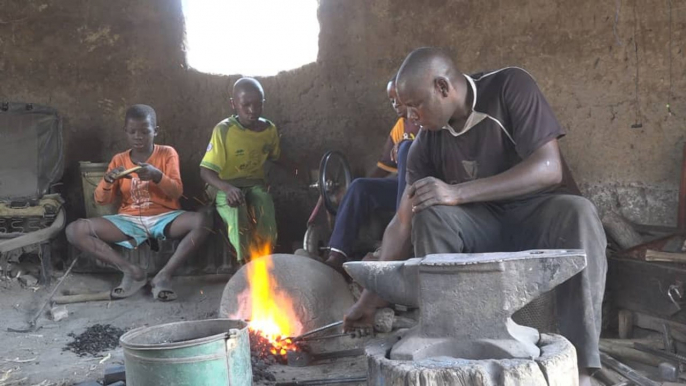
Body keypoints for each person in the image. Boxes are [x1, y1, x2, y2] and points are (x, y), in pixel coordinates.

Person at [342, 48, 606, 386]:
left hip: (537, 215)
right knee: (430, 213)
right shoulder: (426, 143)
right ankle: (453, 350)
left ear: (442, 87)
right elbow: (402, 222)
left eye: (415, 105)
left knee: (580, 212)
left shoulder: (510, 86)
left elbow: (549, 168)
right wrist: (369, 299)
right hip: (483, 227)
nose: (410, 117)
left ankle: (582, 369)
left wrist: (459, 192)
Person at [66, 104, 211, 301]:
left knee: (202, 221)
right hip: (128, 219)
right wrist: (108, 181)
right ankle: (132, 272)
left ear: (155, 131)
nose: (138, 136)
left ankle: (163, 276)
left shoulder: (167, 153)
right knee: (75, 230)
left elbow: (177, 192)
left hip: (165, 218)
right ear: (125, 132)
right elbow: (101, 201)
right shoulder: (119, 160)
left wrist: (157, 175)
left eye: (145, 131)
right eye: (132, 132)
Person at [324, 77, 419, 272]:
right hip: (401, 189)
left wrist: (406, 147)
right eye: (391, 100)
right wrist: (351, 191)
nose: (394, 104)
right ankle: (337, 255)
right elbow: (384, 167)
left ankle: (399, 246)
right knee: (360, 187)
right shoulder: (400, 127)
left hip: (421, 189)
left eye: (397, 98)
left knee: (407, 148)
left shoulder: (427, 116)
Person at [200, 77, 280, 264]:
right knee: (237, 209)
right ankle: (244, 263)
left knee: (264, 202)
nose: (253, 110)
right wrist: (227, 189)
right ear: (233, 104)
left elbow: (277, 157)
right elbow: (205, 172)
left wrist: (301, 168)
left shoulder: (269, 130)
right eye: (246, 105)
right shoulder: (223, 130)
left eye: (258, 105)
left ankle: (265, 259)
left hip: (254, 185)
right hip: (223, 185)